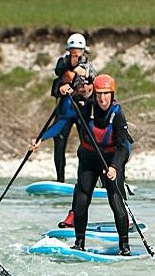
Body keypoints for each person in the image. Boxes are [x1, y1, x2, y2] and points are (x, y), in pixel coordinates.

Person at [32, 74, 132, 254]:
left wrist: (115, 167)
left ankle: (124, 247)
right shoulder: (86, 109)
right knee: (81, 197)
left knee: (115, 200)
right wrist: (41, 138)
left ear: (112, 94)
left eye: (107, 94)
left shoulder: (117, 114)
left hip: (110, 160)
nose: (103, 98)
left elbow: (124, 146)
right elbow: (62, 122)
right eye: (99, 93)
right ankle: (79, 243)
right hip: (89, 158)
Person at [49, 63, 95, 228]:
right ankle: (73, 216)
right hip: (88, 153)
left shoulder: (101, 100)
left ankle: (125, 215)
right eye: (79, 87)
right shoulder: (65, 72)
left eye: (86, 86)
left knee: (113, 188)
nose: (83, 89)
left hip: (107, 152)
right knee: (82, 186)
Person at [50, 33, 92, 200]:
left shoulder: (88, 65)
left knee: (88, 143)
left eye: (78, 52)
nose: (76, 55)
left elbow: (90, 77)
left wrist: (80, 69)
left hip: (81, 109)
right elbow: (59, 71)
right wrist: (71, 64)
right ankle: (60, 178)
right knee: (59, 142)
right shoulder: (63, 62)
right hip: (65, 109)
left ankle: (89, 178)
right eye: (73, 52)